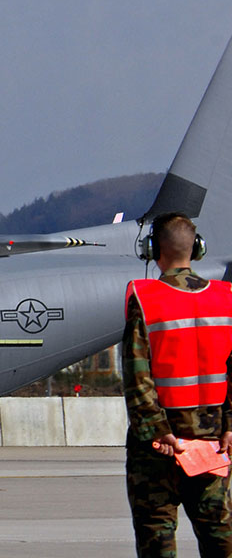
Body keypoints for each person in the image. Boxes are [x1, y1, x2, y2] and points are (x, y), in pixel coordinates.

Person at [124, 212, 232, 558]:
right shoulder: (226, 298)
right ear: (197, 248)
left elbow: (137, 375)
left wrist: (156, 429)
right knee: (220, 536)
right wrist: (230, 426)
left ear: (152, 248)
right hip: (211, 441)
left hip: (159, 446)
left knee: (157, 535)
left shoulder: (145, 299)